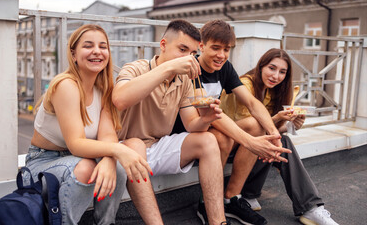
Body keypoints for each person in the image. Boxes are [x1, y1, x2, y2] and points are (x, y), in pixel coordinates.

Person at [25, 24, 153, 224]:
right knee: (89, 166)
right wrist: (118, 151)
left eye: (103, 46)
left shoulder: (103, 89)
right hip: (43, 163)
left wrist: (111, 160)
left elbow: (108, 135)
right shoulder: (66, 85)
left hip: (78, 159)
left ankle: (105, 222)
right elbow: (76, 144)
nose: (97, 51)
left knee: (117, 166)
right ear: (74, 54)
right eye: (88, 46)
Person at [171, 20, 292, 225]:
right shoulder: (191, 68)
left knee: (256, 124)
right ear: (201, 46)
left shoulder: (225, 67)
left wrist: (274, 135)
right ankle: (207, 201)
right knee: (222, 138)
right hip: (186, 132)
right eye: (215, 48)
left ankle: (231, 197)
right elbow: (208, 113)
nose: (221, 55)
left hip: (211, 125)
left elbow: (252, 103)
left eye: (226, 49)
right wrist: (250, 142)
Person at [112, 19, 230, 225]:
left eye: (193, 54)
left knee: (209, 140)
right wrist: (168, 68)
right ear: (163, 45)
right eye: (182, 50)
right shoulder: (136, 68)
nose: (188, 59)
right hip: (124, 148)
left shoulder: (183, 80)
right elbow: (120, 99)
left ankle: (218, 221)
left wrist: (206, 119)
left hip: (157, 147)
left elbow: (192, 124)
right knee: (135, 144)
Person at [221, 48, 339, 225]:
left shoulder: (274, 90)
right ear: (261, 66)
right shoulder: (246, 85)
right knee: (274, 139)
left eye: (282, 72)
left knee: (282, 140)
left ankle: (311, 208)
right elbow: (250, 129)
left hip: (248, 146)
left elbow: (268, 130)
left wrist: (291, 125)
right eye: (272, 68)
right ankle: (308, 207)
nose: (276, 76)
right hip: (226, 142)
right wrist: (276, 119)